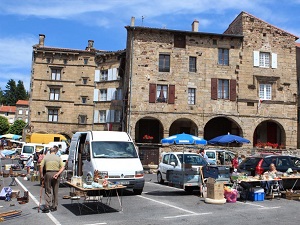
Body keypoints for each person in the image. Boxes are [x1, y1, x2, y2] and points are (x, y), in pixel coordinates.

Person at [40, 147, 65, 213]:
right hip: (56, 173)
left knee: (48, 190)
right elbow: (63, 167)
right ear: (56, 151)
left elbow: (41, 166)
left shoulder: (46, 157)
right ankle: (54, 206)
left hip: (48, 173)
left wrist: (42, 175)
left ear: (50, 151)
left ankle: (47, 205)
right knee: (55, 190)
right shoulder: (58, 158)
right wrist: (58, 174)